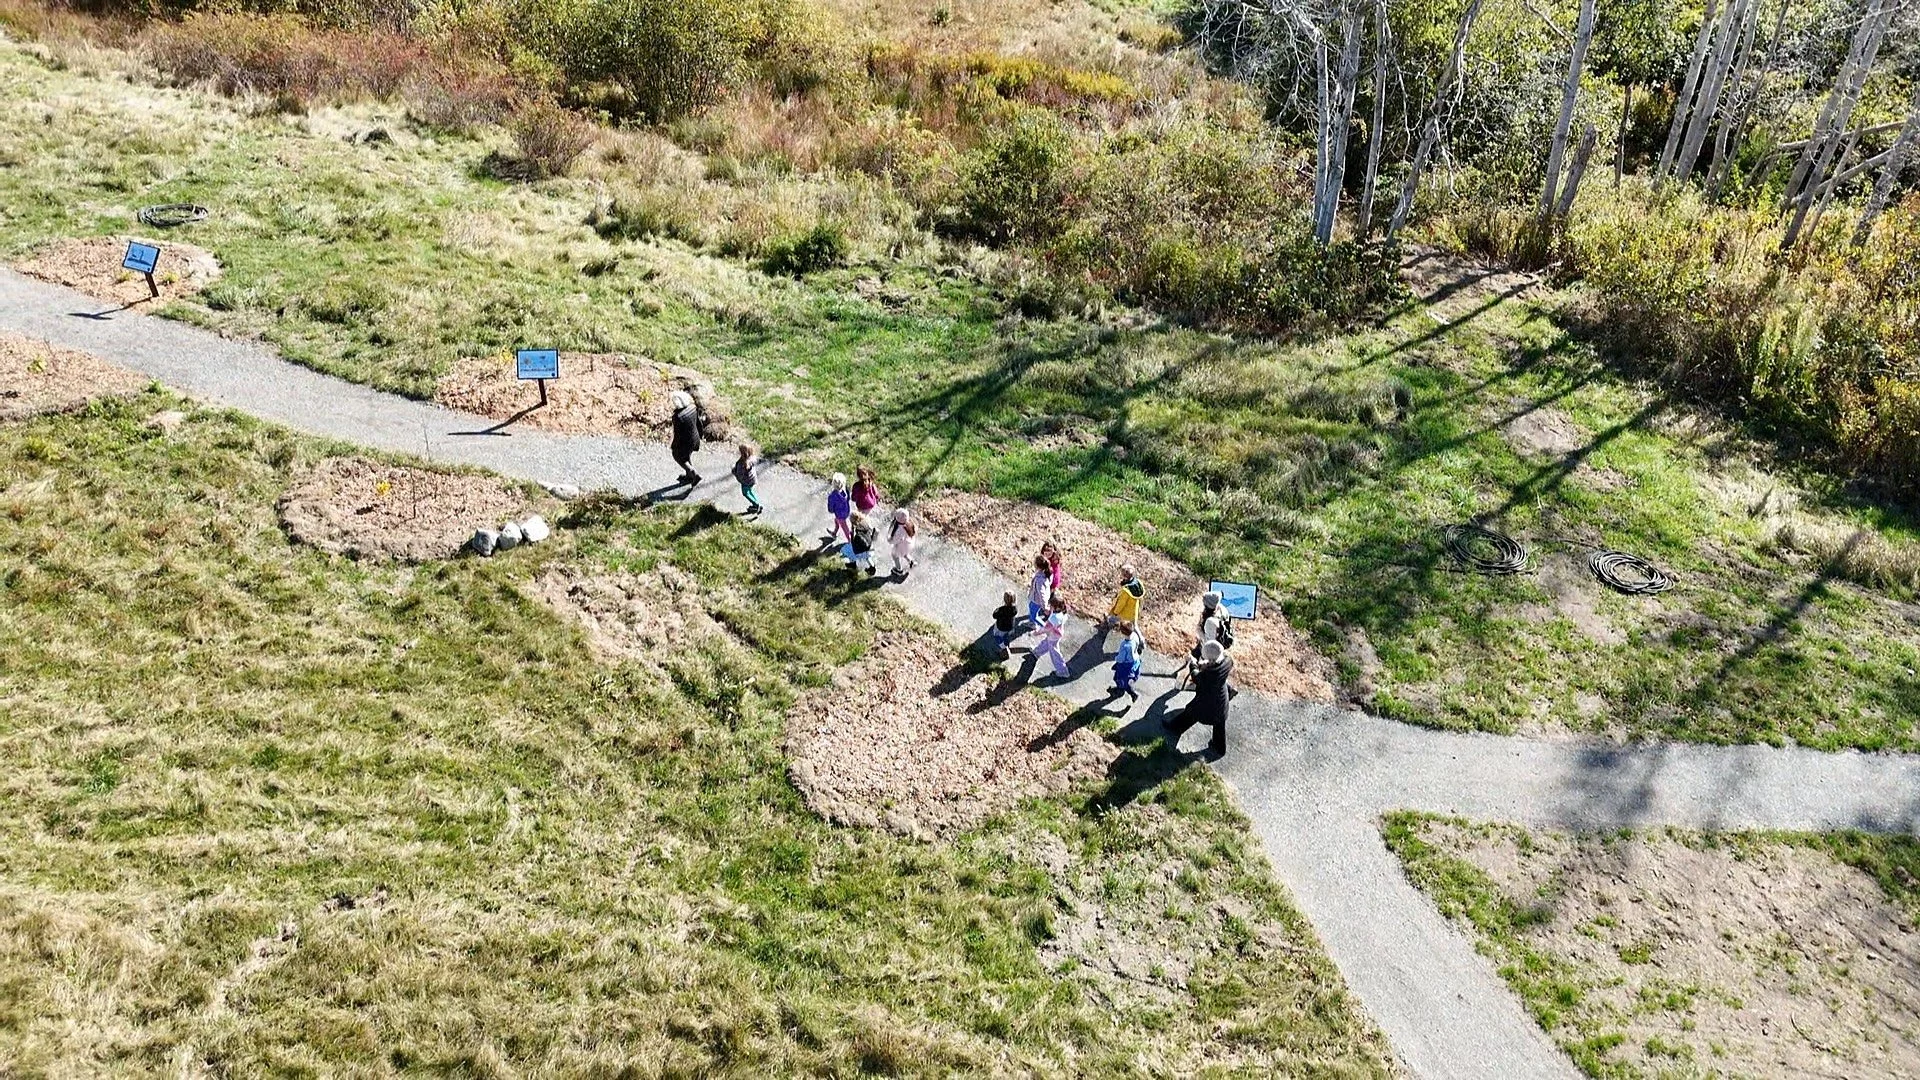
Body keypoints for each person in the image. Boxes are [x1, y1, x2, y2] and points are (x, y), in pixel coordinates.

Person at [1164, 640, 1234, 757]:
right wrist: (1205, 664)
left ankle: (1175, 728)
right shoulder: (1227, 662)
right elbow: (1213, 666)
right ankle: (1220, 748)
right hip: (1222, 700)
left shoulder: (1208, 676)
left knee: (1191, 713)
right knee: (1219, 725)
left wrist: (1193, 663)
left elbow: (1196, 676)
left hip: (1206, 704)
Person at [1032, 599, 1071, 679]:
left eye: (1051, 606)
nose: (1050, 607)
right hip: (1057, 634)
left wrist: (1037, 632)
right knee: (1046, 643)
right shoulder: (1062, 613)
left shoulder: (1054, 618)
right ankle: (1037, 652)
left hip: (1053, 636)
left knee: (1054, 653)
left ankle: (1063, 671)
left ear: (1055, 607)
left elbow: (1046, 629)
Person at [668, 389, 701, 485]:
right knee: (686, 456)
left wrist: (674, 445)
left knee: (678, 456)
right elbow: (699, 423)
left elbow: (677, 434)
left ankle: (694, 474)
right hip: (695, 438)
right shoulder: (693, 408)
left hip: (685, 442)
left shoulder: (677, 417)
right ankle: (688, 476)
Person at [1104, 564, 1145, 631]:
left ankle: (1108, 625)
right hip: (1134, 610)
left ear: (1125, 576)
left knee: (1113, 618)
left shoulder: (1126, 591)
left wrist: (1115, 612)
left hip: (1125, 613)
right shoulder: (1138, 583)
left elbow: (1121, 604)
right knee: (1134, 625)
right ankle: (1141, 639)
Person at [1110, 619, 1143, 702]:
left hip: (1125, 665)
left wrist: (1116, 659)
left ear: (1123, 633)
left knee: (1120, 679)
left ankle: (1126, 692)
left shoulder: (1125, 645)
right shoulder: (1135, 636)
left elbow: (1121, 658)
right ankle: (1125, 688)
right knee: (1126, 679)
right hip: (1135, 660)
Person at [732, 444, 762, 516]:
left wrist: (734, 471)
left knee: (745, 493)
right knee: (750, 491)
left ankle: (756, 505)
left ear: (743, 454)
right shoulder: (752, 458)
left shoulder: (742, 465)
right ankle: (757, 502)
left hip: (746, 481)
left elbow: (740, 475)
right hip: (752, 479)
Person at [889, 507, 918, 578]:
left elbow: (895, 540)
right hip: (909, 543)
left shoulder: (900, 530)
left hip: (902, 545)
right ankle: (911, 562)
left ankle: (898, 569)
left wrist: (890, 540)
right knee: (905, 554)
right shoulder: (909, 523)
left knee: (895, 555)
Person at [825, 473, 853, 545]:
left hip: (839, 514)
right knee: (836, 521)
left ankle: (850, 540)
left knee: (844, 527)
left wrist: (831, 510)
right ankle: (834, 532)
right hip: (846, 510)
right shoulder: (846, 490)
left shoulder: (832, 496)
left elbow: (831, 508)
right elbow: (849, 498)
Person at [1026, 554, 1053, 630]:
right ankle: (1032, 623)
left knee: (1034, 616)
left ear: (1038, 566)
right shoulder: (1046, 574)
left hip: (1036, 601)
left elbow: (1042, 594)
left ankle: (1045, 627)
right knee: (1032, 611)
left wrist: (1045, 608)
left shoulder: (1039, 580)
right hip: (1035, 599)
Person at [991, 590, 1018, 659]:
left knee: (997, 636)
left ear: (1004, 600)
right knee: (1006, 636)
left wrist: (996, 610)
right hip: (1010, 627)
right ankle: (1006, 643)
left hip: (1001, 627)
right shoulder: (1014, 609)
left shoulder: (1001, 610)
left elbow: (994, 615)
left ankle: (1004, 649)